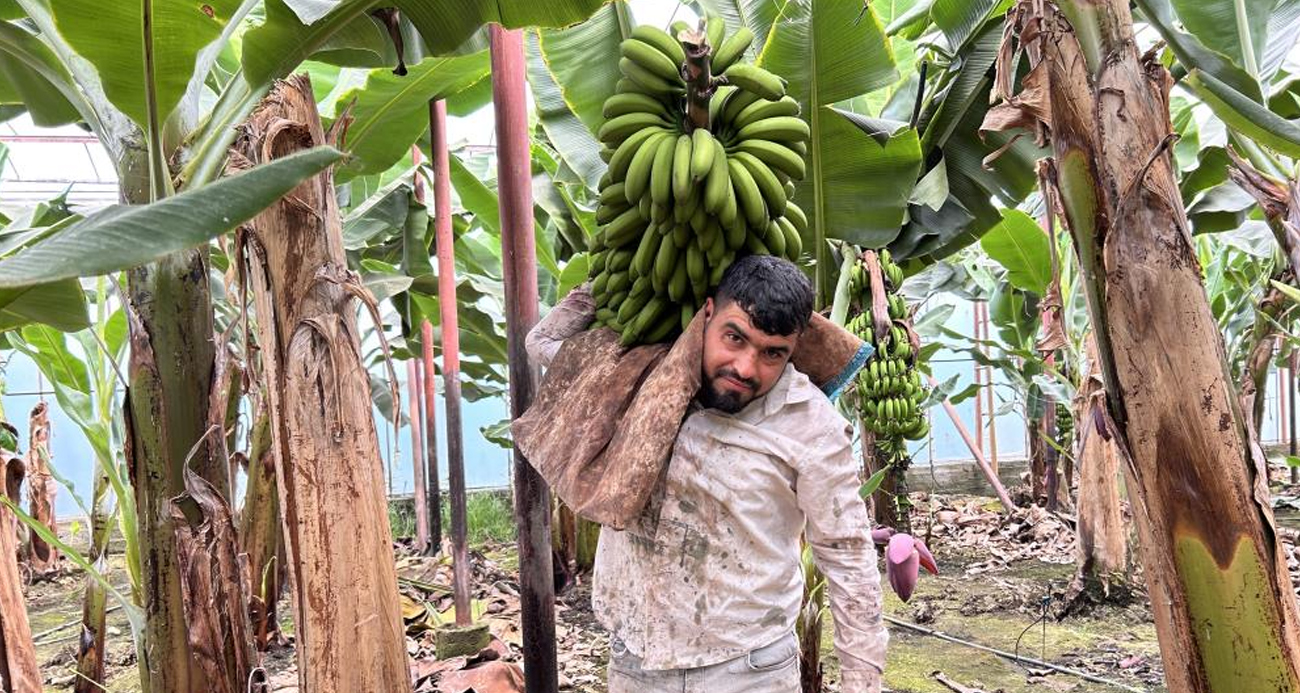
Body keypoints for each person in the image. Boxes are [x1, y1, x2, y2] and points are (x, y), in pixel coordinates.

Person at [525, 254, 887, 692]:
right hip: (636, 659)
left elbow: (847, 554)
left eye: (772, 353)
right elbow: (541, 343)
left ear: (794, 349)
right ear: (708, 313)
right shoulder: (636, 379)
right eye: (734, 337)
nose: (745, 368)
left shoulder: (810, 426)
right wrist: (626, 267)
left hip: (747, 670)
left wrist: (862, 683)